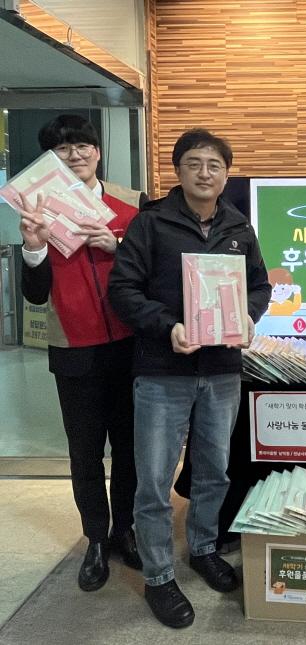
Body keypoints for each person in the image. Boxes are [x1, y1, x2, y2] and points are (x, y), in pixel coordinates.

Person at [108, 129, 271, 628]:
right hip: (163, 370)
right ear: (178, 171)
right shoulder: (151, 223)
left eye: (214, 165)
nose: (205, 173)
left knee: (214, 471)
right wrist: (169, 327)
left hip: (221, 371)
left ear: (226, 174)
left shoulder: (239, 226)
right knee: (155, 481)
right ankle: (159, 576)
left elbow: (259, 286)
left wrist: (248, 317)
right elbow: (123, 290)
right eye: (194, 163)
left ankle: (202, 547)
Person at [18, 114, 146, 592]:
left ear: (97, 151)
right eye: (63, 148)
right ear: (51, 160)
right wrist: (33, 247)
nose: (75, 155)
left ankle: (124, 529)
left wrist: (117, 245)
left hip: (131, 346)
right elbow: (35, 295)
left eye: (82, 145)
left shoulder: (133, 204)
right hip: (73, 349)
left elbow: (156, 271)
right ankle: (95, 538)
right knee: (85, 452)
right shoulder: (39, 209)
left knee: (131, 448)